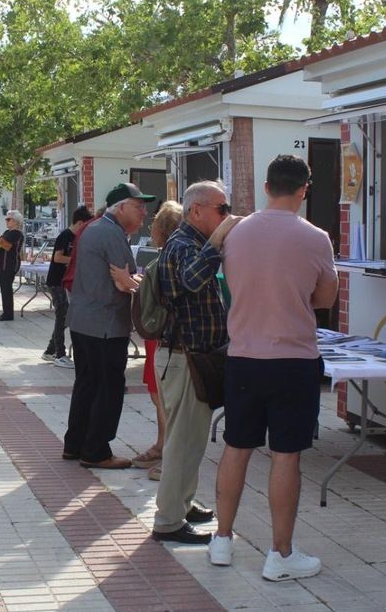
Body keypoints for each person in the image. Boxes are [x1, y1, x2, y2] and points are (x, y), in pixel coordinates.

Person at [210, 154, 337, 580]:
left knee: (236, 447)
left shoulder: (235, 233)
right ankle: (279, 553)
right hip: (293, 359)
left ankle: (222, 540)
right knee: (286, 456)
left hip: (243, 355)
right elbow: (325, 299)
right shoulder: (316, 237)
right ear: (304, 189)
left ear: (267, 187)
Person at [149, 182, 239, 545]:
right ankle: (168, 521)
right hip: (182, 358)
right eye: (222, 208)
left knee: (191, 440)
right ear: (197, 210)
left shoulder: (194, 243)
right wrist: (218, 241)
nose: (226, 215)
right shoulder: (183, 244)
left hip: (193, 358)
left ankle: (181, 504)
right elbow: (190, 280)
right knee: (182, 443)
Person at [62, 183, 156, 470]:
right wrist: (143, 284)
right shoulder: (111, 232)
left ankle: (76, 444)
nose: (144, 213)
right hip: (104, 323)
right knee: (108, 387)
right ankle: (96, 450)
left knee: (88, 383)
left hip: (84, 320)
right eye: (139, 206)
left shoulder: (95, 228)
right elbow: (123, 280)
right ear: (122, 207)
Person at [133, 200, 184, 481]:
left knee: (165, 396)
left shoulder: (169, 258)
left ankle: (168, 451)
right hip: (161, 335)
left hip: (165, 334)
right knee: (159, 395)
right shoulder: (168, 256)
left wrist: (132, 285)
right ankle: (163, 444)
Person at [42, 205, 93, 369]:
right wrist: (75, 260)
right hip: (56, 281)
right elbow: (57, 258)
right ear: (79, 223)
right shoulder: (66, 236)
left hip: (64, 282)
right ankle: (60, 354)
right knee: (62, 316)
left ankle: (50, 350)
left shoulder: (76, 236)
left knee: (64, 317)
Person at [0, 210, 24, 321]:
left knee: (6, 289)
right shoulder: (7, 232)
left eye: (8, 219)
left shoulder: (16, 233)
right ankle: (6, 312)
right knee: (4, 288)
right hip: (3, 264)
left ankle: (8, 314)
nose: (6, 221)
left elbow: (6, 245)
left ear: (15, 221)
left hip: (9, 264)